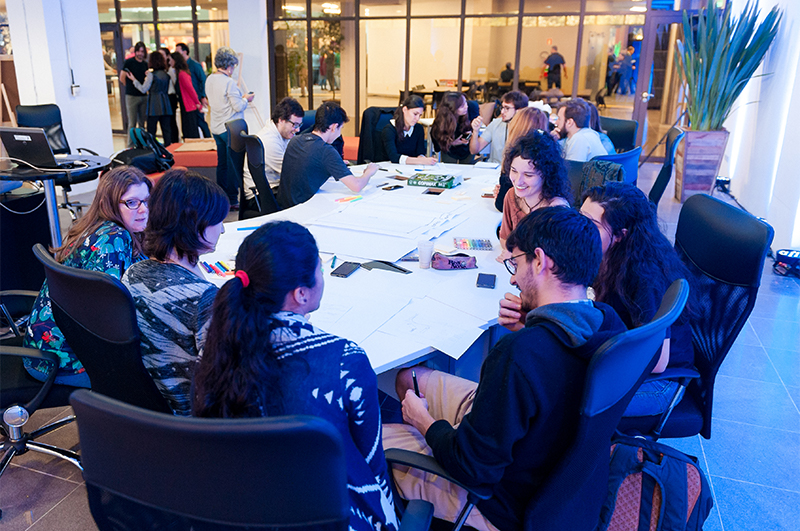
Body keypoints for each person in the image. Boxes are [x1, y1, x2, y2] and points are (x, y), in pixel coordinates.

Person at [383, 207, 626, 531]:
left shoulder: (518, 355)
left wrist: (424, 422)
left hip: (499, 504)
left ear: (540, 261)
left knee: (369, 440)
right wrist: (534, 322)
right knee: (407, 379)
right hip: (561, 479)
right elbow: (552, 361)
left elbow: (471, 468)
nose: (512, 277)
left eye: (517, 262)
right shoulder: (609, 323)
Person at [193, 221, 399, 531]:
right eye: (319, 270)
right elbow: (373, 464)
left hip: (238, 512)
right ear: (301, 294)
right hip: (328, 516)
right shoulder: (344, 362)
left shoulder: (217, 343)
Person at [23, 167, 152, 387]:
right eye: (132, 203)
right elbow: (113, 316)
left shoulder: (91, 225)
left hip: (42, 348)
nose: (143, 210)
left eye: (146, 201)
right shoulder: (115, 239)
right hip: (65, 361)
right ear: (109, 204)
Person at [580, 182, 694, 416]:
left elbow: (658, 361)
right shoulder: (606, 256)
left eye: (590, 224)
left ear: (621, 235)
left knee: (566, 402)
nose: (580, 229)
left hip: (660, 384)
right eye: (580, 217)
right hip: (629, 366)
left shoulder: (643, 278)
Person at [122, 169, 229, 416]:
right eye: (218, 221)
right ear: (195, 225)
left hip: (147, 408)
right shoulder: (203, 299)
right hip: (189, 418)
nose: (222, 230)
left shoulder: (134, 273)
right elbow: (221, 384)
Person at [278, 101, 378, 208]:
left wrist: (333, 165)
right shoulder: (326, 151)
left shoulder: (296, 140)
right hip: (304, 209)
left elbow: (307, 167)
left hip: (284, 207)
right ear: (334, 127)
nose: (339, 134)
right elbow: (356, 186)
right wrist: (368, 172)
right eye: (341, 129)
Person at [497, 131, 572, 261]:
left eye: (528, 175)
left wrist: (516, 255)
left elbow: (555, 261)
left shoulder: (556, 209)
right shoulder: (511, 196)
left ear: (546, 175)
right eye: (514, 171)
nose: (518, 181)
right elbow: (504, 240)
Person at [205, 46, 254, 209]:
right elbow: (238, 106)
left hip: (216, 127)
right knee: (233, 165)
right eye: (233, 65)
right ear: (229, 65)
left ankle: (221, 196)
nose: (234, 69)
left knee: (222, 164)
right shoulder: (229, 83)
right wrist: (246, 98)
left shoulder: (210, 79)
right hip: (230, 128)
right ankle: (233, 199)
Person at [240, 97, 304, 210]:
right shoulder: (270, 142)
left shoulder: (281, 134)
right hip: (260, 197)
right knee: (305, 193)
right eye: (294, 124)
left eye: (299, 125)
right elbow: (294, 173)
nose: (297, 129)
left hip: (271, 187)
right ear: (281, 120)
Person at [493, 106, 550, 211]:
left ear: (516, 128)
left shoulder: (516, 157)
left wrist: (502, 196)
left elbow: (501, 205)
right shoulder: (549, 156)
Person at [469, 90, 529, 164]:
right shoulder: (495, 124)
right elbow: (474, 150)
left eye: (507, 108)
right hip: (494, 170)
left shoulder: (528, 128)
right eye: (502, 107)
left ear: (519, 110)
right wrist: (475, 131)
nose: (502, 112)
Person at [131, 50, 173, 147]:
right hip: (166, 104)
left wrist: (134, 80)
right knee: (167, 130)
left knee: (151, 131)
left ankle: (153, 151)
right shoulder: (167, 75)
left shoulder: (151, 75)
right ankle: (168, 150)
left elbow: (143, 89)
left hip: (154, 104)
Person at [380, 95, 437, 165]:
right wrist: (421, 161)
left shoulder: (418, 129)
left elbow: (420, 152)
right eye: (415, 114)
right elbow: (394, 157)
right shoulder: (389, 130)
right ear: (404, 110)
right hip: (391, 169)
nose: (417, 119)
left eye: (420, 115)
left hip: (411, 169)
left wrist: (422, 158)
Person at [430, 91, 479, 164]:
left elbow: (475, 127)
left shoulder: (471, 108)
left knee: (468, 169)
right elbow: (438, 145)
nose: (466, 106)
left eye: (466, 102)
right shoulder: (441, 122)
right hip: (449, 149)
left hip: (467, 149)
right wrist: (452, 143)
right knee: (449, 168)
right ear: (453, 108)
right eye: (462, 106)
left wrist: (472, 134)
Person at [176, 42, 212, 137]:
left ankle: (209, 139)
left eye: (178, 51)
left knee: (200, 121)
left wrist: (203, 96)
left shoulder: (194, 65)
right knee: (193, 123)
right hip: (189, 99)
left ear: (185, 52)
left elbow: (203, 80)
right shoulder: (181, 67)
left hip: (197, 98)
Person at [119, 41, 149, 147]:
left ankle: (142, 143)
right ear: (135, 52)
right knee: (132, 122)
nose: (140, 53)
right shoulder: (129, 62)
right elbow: (122, 77)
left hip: (143, 96)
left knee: (142, 123)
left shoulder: (145, 64)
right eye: (138, 51)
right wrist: (129, 87)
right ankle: (130, 146)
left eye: (142, 51)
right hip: (131, 96)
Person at [171, 51, 203, 139]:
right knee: (188, 129)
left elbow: (191, 89)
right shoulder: (180, 73)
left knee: (190, 130)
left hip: (188, 105)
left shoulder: (182, 74)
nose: (170, 62)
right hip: (186, 105)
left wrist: (197, 103)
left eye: (171, 60)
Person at [159, 47, 180, 144]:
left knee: (171, 120)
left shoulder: (171, 69)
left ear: (167, 56)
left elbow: (175, 82)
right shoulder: (160, 69)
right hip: (164, 96)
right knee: (166, 121)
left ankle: (175, 141)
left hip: (171, 96)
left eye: (163, 54)